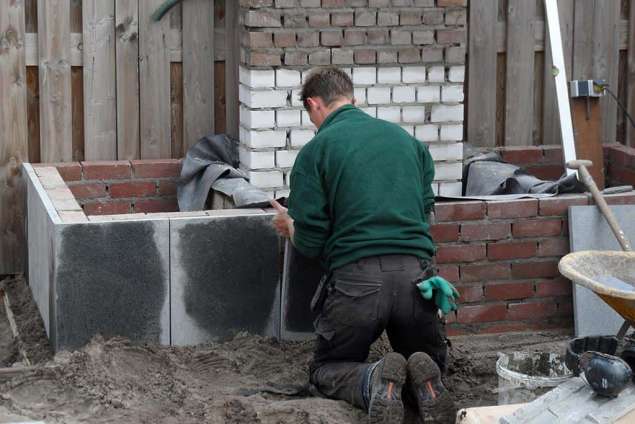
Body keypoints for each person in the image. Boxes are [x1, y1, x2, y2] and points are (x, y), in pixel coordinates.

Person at [271, 66, 457, 423]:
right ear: (353, 99)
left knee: (327, 369)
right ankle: (426, 386)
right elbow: (425, 212)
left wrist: (290, 225)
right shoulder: (409, 143)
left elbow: (311, 241)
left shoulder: (316, 151)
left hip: (357, 283)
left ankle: (373, 381)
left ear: (314, 105)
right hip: (417, 280)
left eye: (310, 115)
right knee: (426, 363)